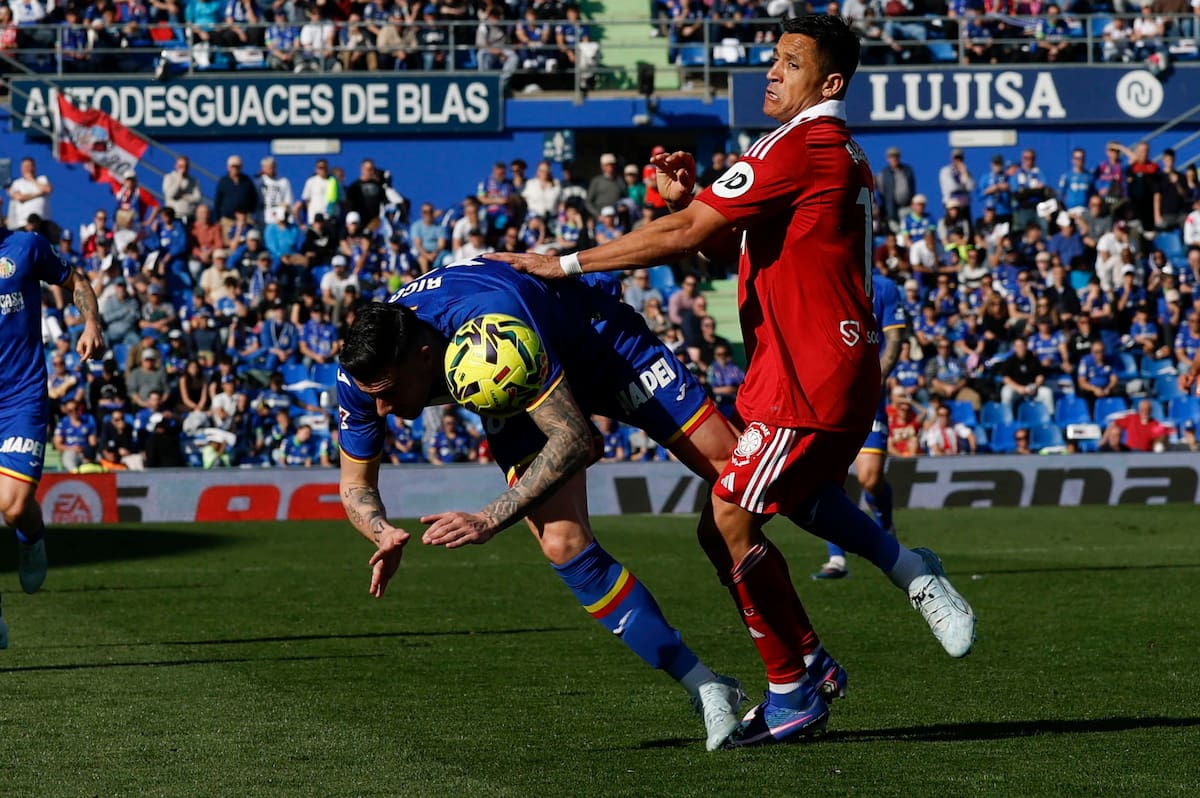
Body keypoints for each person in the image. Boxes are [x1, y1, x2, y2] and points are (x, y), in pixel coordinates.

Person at [495, 14, 976, 746]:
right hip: (793, 372)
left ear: (831, 82)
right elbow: (736, 252)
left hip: (815, 376)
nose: (771, 72)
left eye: (789, 62)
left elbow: (687, 238)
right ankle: (887, 593)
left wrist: (561, 263)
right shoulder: (820, 150)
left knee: (728, 520)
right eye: (772, 58)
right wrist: (682, 204)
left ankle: (796, 687)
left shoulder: (802, 144)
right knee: (775, 507)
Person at [337, 260, 747, 751]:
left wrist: (489, 517)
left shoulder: (485, 317)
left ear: (426, 357)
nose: (380, 410)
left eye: (387, 395)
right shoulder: (365, 374)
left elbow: (573, 438)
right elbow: (354, 483)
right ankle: (705, 684)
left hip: (595, 341)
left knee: (737, 471)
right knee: (562, 542)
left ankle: (808, 657)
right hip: (517, 384)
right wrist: (379, 529)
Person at [0, 226, 104, 648]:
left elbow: (77, 281)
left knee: (12, 504)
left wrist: (91, 321)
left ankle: (31, 535)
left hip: (20, 398)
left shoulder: (25, 246)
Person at [813, 270, 906, 580]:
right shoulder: (824, 277)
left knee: (870, 478)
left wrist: (873, 380)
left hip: (868, 395)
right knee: (825, 479)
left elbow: (894, 337)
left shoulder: (883, 287)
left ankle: (886, 524)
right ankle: (836, 558)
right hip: (828, 393)